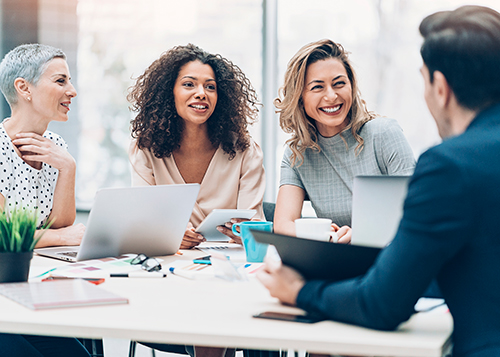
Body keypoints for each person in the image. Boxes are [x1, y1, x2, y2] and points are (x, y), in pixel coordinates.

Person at [258, 5, 500, 357]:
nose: (331, 96)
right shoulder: (297, 153)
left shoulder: (448, 165)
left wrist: (297, 291)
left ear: (441, 88)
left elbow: (383, 304)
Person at [128, 44, 265, 357]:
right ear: (169, 93)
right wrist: (171, 235)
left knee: (217, 302)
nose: (201, 93)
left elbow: (255, 228)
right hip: (169, 273)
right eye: (189, 84)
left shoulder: (245, 151)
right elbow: (142, 223)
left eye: (210, 87)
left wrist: (241, 232)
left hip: (228, 273)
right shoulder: (145, 149)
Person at [273, 39, 415, 243]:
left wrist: (361, 235)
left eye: (339, 84)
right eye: (317, 87)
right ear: (300, 98)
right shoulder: (297, 154)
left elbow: (419, 212)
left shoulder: (384, 134)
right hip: (338, 259)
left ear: (351, 87)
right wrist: (321, 234)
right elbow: (283, 225)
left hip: (389, 258)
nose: (331, 96)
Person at [0, 44, 89, 356]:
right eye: (61, 81)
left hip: (31, 286)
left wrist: (68, 166)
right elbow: (3, 239)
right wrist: (62, 236)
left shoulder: (55, 145)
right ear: (24, 88)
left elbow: (60, 224)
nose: (72, 91)